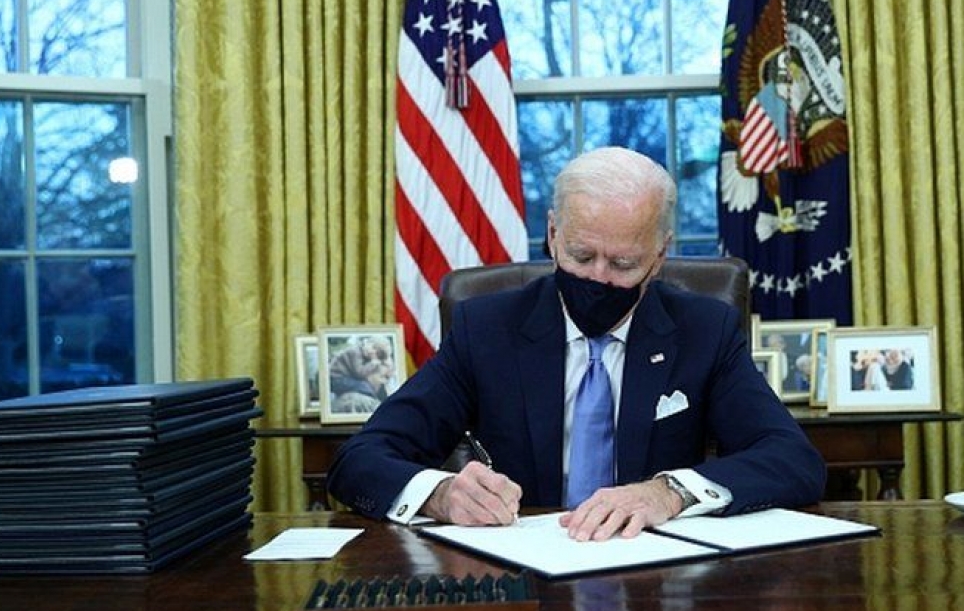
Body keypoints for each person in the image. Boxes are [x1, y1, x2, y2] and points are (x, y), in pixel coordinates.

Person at [326, 147, 826, 541]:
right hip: (523, 575)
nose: (599, 278)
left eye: (624, 264)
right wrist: (439, 494)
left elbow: (793, 459)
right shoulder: (488, 329)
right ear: (552, 234)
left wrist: (670, 492)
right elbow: (360, 459)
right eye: (582, 256)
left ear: (659, 256)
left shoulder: (704, 331)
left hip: (657, 578)